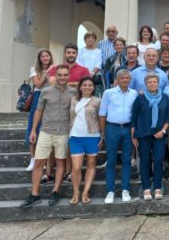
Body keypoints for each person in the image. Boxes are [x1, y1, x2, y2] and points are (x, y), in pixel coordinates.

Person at [21, 64, 76, 208]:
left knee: (60, 163)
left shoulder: (74, 93)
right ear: (55, 76)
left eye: (65, 75)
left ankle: (56, 191)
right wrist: (33, 131)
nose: (62, 78)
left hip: (63, 132)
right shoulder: (46, 91)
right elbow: (38, 111)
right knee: (39, 163)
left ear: (68, 76)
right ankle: (34, 193)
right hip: (46, 131)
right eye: (60, 75)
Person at [47, 44, 90, 181]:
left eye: (73, 52)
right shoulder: (55, 68)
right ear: (65, 54)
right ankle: (49, 173)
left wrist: (65, 83)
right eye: (68, 52)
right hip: (56, 110)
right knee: (55, 143)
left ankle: (69, 171)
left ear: (77, 54)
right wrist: (74, 83)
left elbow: (85, 86)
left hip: (75, 110)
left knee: (71, 141)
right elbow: (52, 83)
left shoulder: (83, 70)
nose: (71, 55)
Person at [99, 69, 137, 204]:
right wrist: (103, 133)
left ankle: (125, 189)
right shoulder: (108, 93)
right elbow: (102, 113)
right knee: (111, 160)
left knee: (127, 160)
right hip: (112, 128)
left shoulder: (134, 93)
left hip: (127, 129)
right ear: (117, 79)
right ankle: (110, 191)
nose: (125, 80)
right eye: (122, 78)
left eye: (127, 78)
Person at [131, 73, 169, 201]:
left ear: (158, 83)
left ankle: (158, 187)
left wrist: (163, 131)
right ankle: (146, 188)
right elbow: (134, 118)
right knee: (145, 161)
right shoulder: (140, 98)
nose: (152, 84)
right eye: (150, 82)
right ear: (146, 84)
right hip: (143, 134)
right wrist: (134, 136)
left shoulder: (165, 97)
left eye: (155, 82)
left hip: (159, 135)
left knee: (158, 160)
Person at [68, 77, 102, 205]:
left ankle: (85, 192)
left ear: (93, 87)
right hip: (76, 136)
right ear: (80, 87)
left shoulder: (97, 101)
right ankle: (75, 192)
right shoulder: (74, 100)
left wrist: (102, 136)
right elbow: (71, 116)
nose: (87, 87)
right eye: (85, 85)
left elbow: (101, 118)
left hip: (92, 136)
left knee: (91, 164)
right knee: (76, 167)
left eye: (90, 85)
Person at [25, 49, 54, 171]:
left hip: (51, 98)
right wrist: (46, 72)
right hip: (38, 97)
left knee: (47, 129)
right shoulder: (34, 69)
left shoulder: (55, 68)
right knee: (34, 127)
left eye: (47, 56)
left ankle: (47, 161)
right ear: (39, 58)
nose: (45, 58)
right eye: (43, 56)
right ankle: (33, 159)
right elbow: (38, 85)